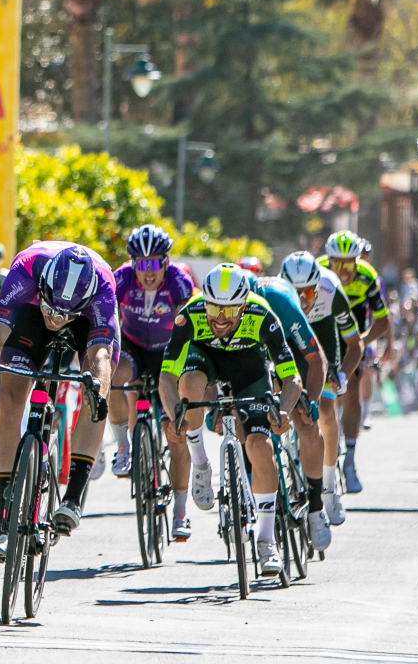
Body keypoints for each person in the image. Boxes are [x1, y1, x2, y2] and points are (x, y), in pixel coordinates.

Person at [0, 241, 114, 558]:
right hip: (30, 314)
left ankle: (72, 498)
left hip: (84, 323)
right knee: (9, 400)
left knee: (96, 395)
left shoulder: (102, 286)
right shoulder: (27, 268)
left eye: (64, 314)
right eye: (53, 309)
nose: (57, 318)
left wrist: (98, 392)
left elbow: (100, 353)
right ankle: (3, 518)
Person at [159, 264, 303, 577]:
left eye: (229, 311)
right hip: (204, 360)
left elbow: (292, 379)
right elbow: (166, 378)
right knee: (189, 385)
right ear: (204, 302)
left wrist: (283, 410)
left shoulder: (262, 315)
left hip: (248, 368)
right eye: (214, 309)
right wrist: (175, 416)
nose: (220, 319)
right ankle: (200, 465)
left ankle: (267, 541)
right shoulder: (189, 314)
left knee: (261, 447)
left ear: (244, 305)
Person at [106, 225, 195, 537]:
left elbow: (191, 326)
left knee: (175, 431)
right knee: (113, 377)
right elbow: (105, 315)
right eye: (140, 264)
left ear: (166, 262)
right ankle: (123, 447)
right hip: (133, 347)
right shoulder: (121, 279)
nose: (147, 272)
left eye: (154, 263)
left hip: (167, 352)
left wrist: (182, 372)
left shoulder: (179, 283)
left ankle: (181, 511)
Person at [243, 269, 333, 552]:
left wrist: (313, 402)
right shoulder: (226, 313)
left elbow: (316, 359)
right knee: (244, 412)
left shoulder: (280, 301)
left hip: (292, 349)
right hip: (255, 354)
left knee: (306, 423)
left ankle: (317, 507)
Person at [280, 251, 363, 527]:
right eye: (296, 292)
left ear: (317, 286)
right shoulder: (279, 297)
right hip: (291, 339)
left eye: (308, 292)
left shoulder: (330, 291)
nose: (303, 299)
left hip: (324, 339)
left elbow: (355, 345)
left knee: (325, 410)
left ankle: (329, 489)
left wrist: (342, 374)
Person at [318, 230, 391, 494]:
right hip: (325, 336)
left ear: (358, 261)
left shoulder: (368, 276)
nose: (343, 270)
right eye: (336, 263)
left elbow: (383, 321)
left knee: (350, 393)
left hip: (353, 339)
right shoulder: (318, 273)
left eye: (349, 263)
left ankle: (349, 460)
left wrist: (360, 340)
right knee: (323, 396)